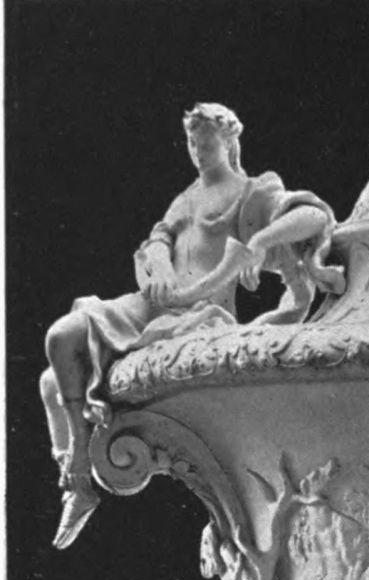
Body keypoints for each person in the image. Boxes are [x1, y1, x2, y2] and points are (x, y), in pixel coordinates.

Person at [42, 102, 343, 549]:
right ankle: (78, 480)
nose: (198, 153)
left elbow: (314, 216)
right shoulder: (186, 198)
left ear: (230, 143)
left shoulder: (252, 193)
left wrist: (260, 241)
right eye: (192, 144)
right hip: (147, 306)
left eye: (206, 144)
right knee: (54, 369)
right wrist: (160, 262)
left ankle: (82, 468)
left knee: (60, 357)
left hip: (195, 316)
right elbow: (157, 238)